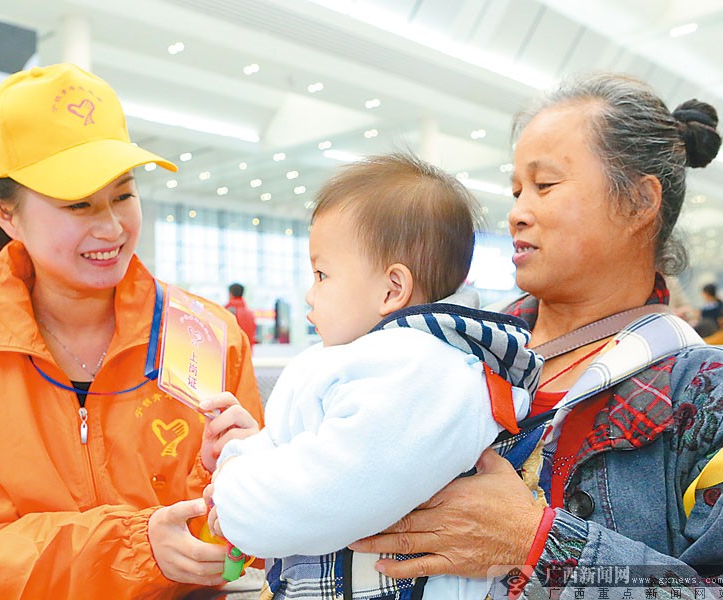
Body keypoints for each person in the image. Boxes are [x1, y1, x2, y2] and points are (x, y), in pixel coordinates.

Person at [350, 74, 723, 597]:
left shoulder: (711, 399)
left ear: (638, 202)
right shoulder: (440, 344)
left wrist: (535, 545)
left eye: (545, 185)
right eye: (516, 190)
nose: (517, 213)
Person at [0, 63, 264, 600]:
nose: (111, 228)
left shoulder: (206, 335)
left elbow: (240, 549)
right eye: (78, 204)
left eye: (123, 195)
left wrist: (239, 482)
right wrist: (136, 548)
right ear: (7, 215)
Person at [205, 154, 543, 599]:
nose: (310, 293)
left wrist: (234, 494)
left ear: (391, 289)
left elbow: (323, 494)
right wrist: (242, 457)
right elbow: (307, 447)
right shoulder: (380, 362)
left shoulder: (419, 374)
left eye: (322, 275)